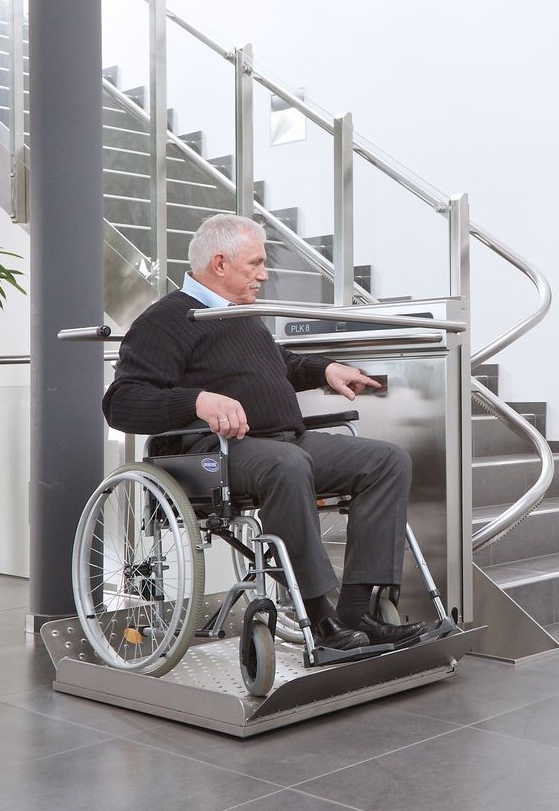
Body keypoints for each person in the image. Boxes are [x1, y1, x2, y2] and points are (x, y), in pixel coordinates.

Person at [103, 213, 426, 650]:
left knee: (386, 461)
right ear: (220, 264)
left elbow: (276, 365)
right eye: (255, 263)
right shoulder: (165, 320)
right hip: (215, 453)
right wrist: (197, 400)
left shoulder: (242, 317)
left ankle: (357, 612)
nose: (264, 273)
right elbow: (122, 402)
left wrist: (324, 369)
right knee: (287, 465)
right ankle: (318, 616)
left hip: (284, 443)